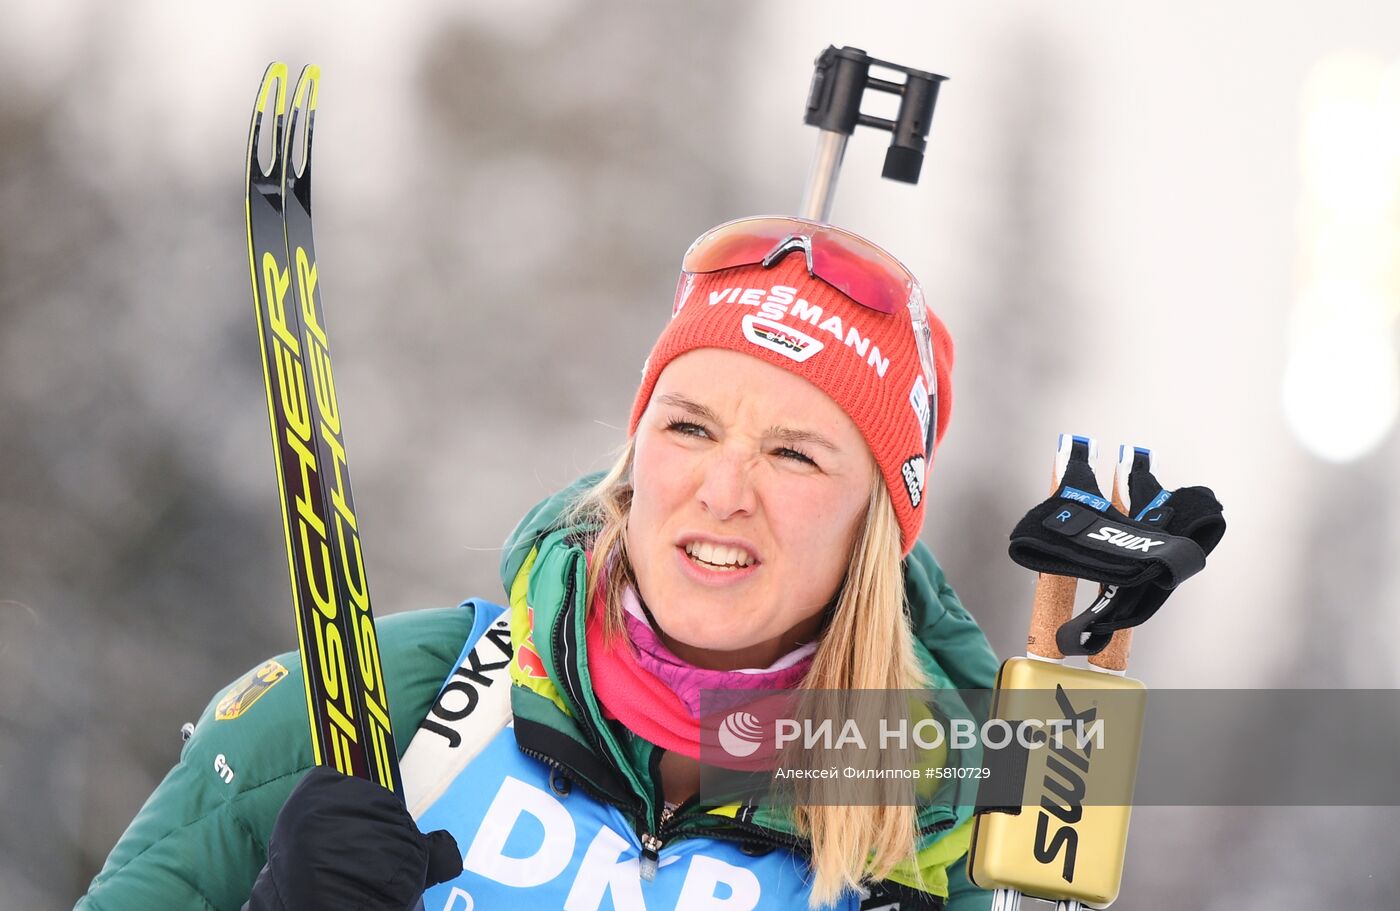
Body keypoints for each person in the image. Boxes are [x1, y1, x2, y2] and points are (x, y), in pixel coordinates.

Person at [76, 216, 1000, 910]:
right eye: (687, 426)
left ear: (875, 531)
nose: (724, 489)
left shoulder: (935, 826)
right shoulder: (385, 705)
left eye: (794, 453)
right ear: (636, 455)